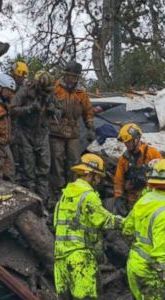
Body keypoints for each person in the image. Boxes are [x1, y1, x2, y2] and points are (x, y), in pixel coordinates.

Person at [51, 153, 122, 300]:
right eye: (97, 177)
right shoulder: (89, 196)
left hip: (60, 258)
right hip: (80, 258)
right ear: (90, 175)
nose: (99, 181)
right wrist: (130, 223)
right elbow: (105, 220)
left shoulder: (65, 196)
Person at [121, 159, 165, 300]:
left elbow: (126, 229)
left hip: (134, 266)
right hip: (150, 273)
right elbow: (161, 257)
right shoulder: (164, 213)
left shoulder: (143, 200)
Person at [11, 70, 61, 200]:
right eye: (44, 90)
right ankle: (31, 201)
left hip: (42, 133)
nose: (46, 92)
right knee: (28, 170)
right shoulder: (24, 91)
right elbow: (12, 110)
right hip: (25, 133)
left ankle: (43, 202)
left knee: (44, 169)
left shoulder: (50, 94)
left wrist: (53, 110)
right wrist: (30, 109)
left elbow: (60, 110)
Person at [49, 61, 94, 199]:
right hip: (56, 130)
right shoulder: (55, 88)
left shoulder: (81, 92)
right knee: (57, 160)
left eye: (75, 76)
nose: (72, 79)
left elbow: (88, 111)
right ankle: (58, 191)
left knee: (74, 160)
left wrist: (90, 127)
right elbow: (46, 104)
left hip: (74, 131)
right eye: (70, 76)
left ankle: (73, 188)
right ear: (65, 75)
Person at [113, 123, 162, 216]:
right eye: (125, 142)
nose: (126, 145)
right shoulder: (123, 160)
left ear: (137, 138)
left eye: (129, 142)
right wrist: (118, 198)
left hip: (151, 200)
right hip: (133, 201)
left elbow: (163, 174)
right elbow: (118, 181)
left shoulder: (152, 154)